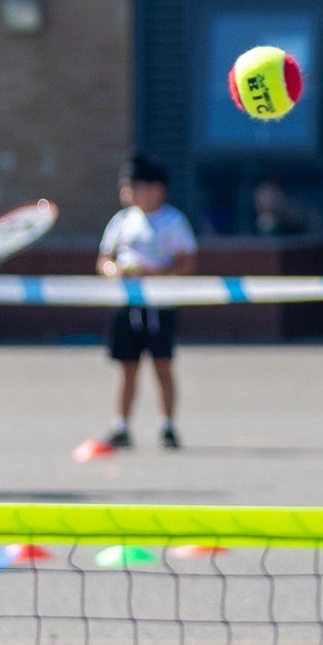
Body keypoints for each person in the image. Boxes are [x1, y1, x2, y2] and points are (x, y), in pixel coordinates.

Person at [96, 151, 197, 450]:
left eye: (134, 185)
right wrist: (115, 272)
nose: (128, 192)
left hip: (159, 306)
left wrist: (157, 273)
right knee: (127, 366)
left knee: (162, 364)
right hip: (127, 304)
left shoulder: (173, 221)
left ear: (155, 188)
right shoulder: (121, 222)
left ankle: (167, 424)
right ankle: (121, 425)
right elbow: (104, 259)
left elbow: (187, 262)